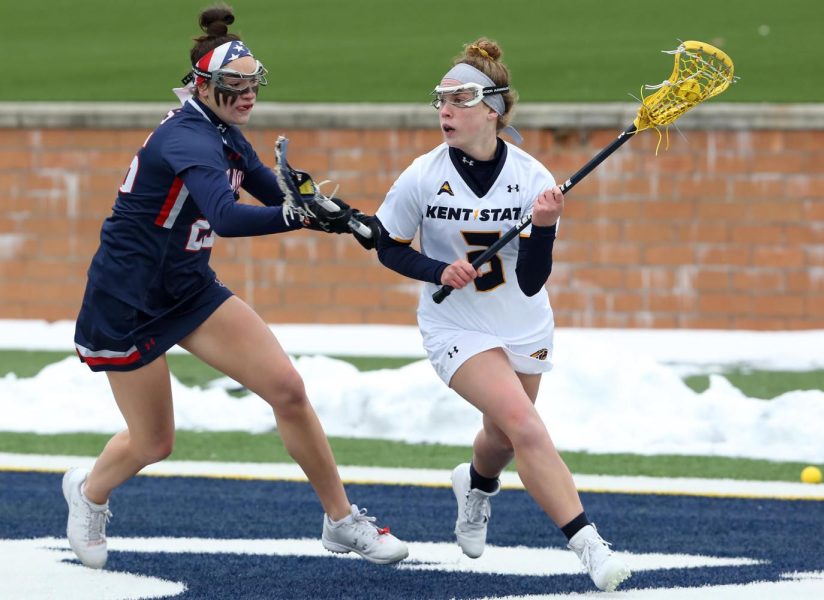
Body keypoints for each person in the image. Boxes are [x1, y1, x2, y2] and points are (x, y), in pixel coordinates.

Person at [64, 4, 406, 570]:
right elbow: (225, 215)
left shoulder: (221, 130)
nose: (248, 96)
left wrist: (340, 215)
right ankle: (89, 491)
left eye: (252, 85)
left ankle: (341, 520)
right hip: (128, 300)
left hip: (189, 288)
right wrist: (297, 217)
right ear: (202, 85)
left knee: (288, 390)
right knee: (153, 442)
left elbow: (269, 191)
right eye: (235, 86)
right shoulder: (188, 139)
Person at [373, 38, 631, 592]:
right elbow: (387, 244)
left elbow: (534, 278)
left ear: (493, 108)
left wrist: (543, 226)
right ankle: (590, 547)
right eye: (440, 100)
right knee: (526, 426)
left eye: (459, 100)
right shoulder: (422, 174)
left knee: (504, 435)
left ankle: (475, 484)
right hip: (456, 325)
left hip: (523, 322)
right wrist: (436, 271)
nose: (445, 110)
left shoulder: (533, 177)